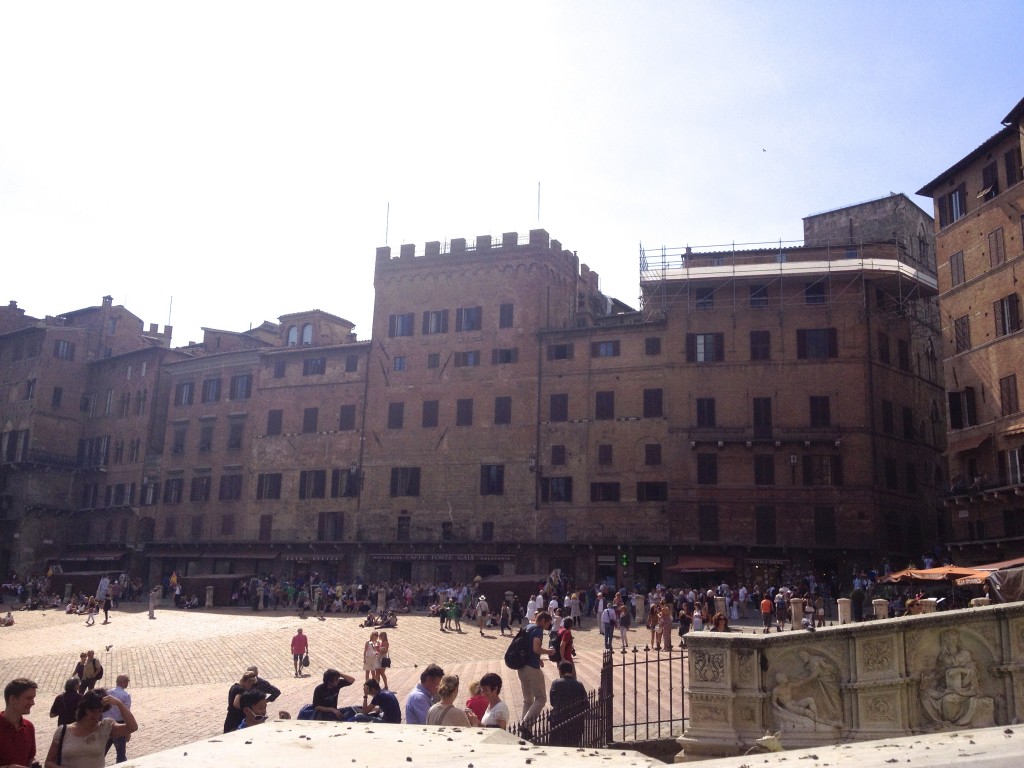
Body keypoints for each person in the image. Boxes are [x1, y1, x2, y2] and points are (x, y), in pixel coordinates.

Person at [44, 690, 137, 768]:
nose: (96, 715)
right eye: (92, 711)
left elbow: (132, 727)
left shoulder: (105, 728)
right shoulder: (63, 731)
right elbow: (48, 762)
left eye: (100, 711)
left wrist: (119, 704)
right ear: (84, 709)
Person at [518, 610, 556, 731]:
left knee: (527, 700)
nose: (548, 626)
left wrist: (538, 657)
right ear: (543, 621)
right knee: (540, 698)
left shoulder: (528, 626)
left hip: (521, 667)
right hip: (532, 668)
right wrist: (548, 652)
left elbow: (528, 648)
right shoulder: (538, 630)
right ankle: (525, 725)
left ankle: (524, 727)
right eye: (548, 623)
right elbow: (536, 648)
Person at [549, 661, 588, 747]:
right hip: (575, 721)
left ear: (560, 671)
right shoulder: (579, 684)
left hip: (558, 720)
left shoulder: (555, 683)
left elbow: (552, 702)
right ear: (571, 671)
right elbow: (586, 704)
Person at [1, 678, 37, 768]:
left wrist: (33, 763)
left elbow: (30, 757)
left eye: (33, 698)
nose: (33, 703)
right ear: (12, 699)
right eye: (29, 698)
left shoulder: (29, 727)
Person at [103, 674, 131, 763]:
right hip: (119, 724)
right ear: (123, 682)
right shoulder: (125, 695)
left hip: (105, 724)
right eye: (127, 681)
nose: (128, 683)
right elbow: (126, 713)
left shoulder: (107, 693)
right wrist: (128, 730)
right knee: (121, 753)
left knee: (101, 751)